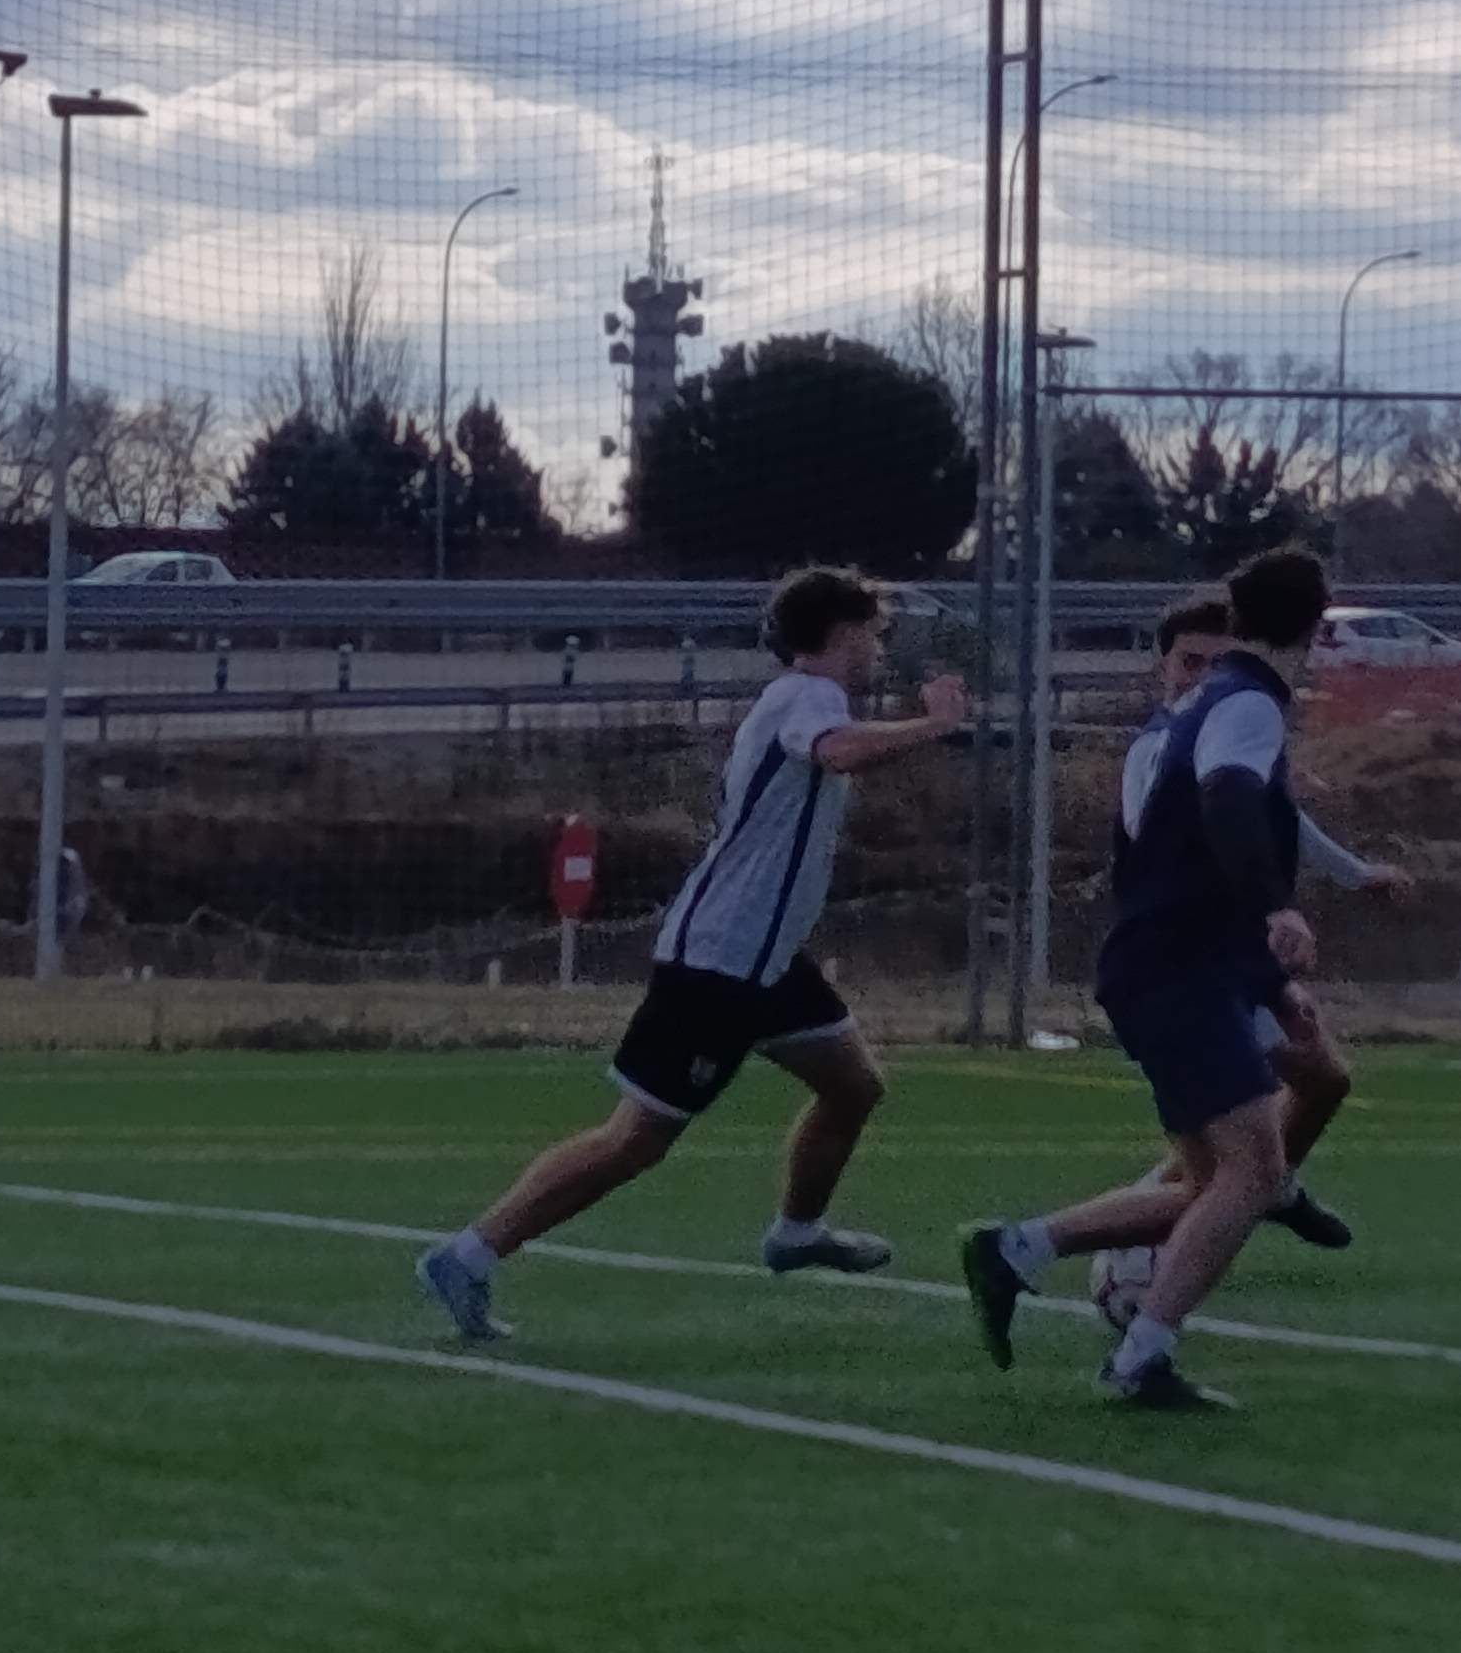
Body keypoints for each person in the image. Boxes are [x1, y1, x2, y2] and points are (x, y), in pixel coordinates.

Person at [417, 568, 967, 1343]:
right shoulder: (808, 697)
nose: (879, 650)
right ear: (843, 635)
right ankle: (469, 1254)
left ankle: (796, 1232)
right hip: (720, 963)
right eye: (873, 635)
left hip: (767, 961)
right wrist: (933, 724)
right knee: (636, 1139)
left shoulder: (806, 699)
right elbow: (840, 753)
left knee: (853, 1085)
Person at [959, 543, 1336, 1413]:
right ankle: (1140, 1359)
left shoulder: (1205, 701)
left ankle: (1016, 1249)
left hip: (1168, 963)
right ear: (1315, 625)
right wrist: (1277, 908)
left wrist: (1265, 975)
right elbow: (1228, 798)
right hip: (1179, 969)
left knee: (1213, 1185)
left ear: (1238, 617)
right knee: (1254, 1173)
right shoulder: (1248, 703)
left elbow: (1186, 845)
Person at [1139, 589, 1406, 1250]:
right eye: (1189, 662)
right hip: (1185, 960)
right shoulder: (1157, 749)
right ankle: (1084, 1247)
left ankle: (1268, 1190)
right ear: (1161, 665)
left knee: (1321, 1081)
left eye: (1215, 663)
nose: (1203, 677)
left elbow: (1281, 817)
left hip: (1230, 956)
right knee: (1234, 1143)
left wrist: (1356, 874)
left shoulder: (1225, 731)